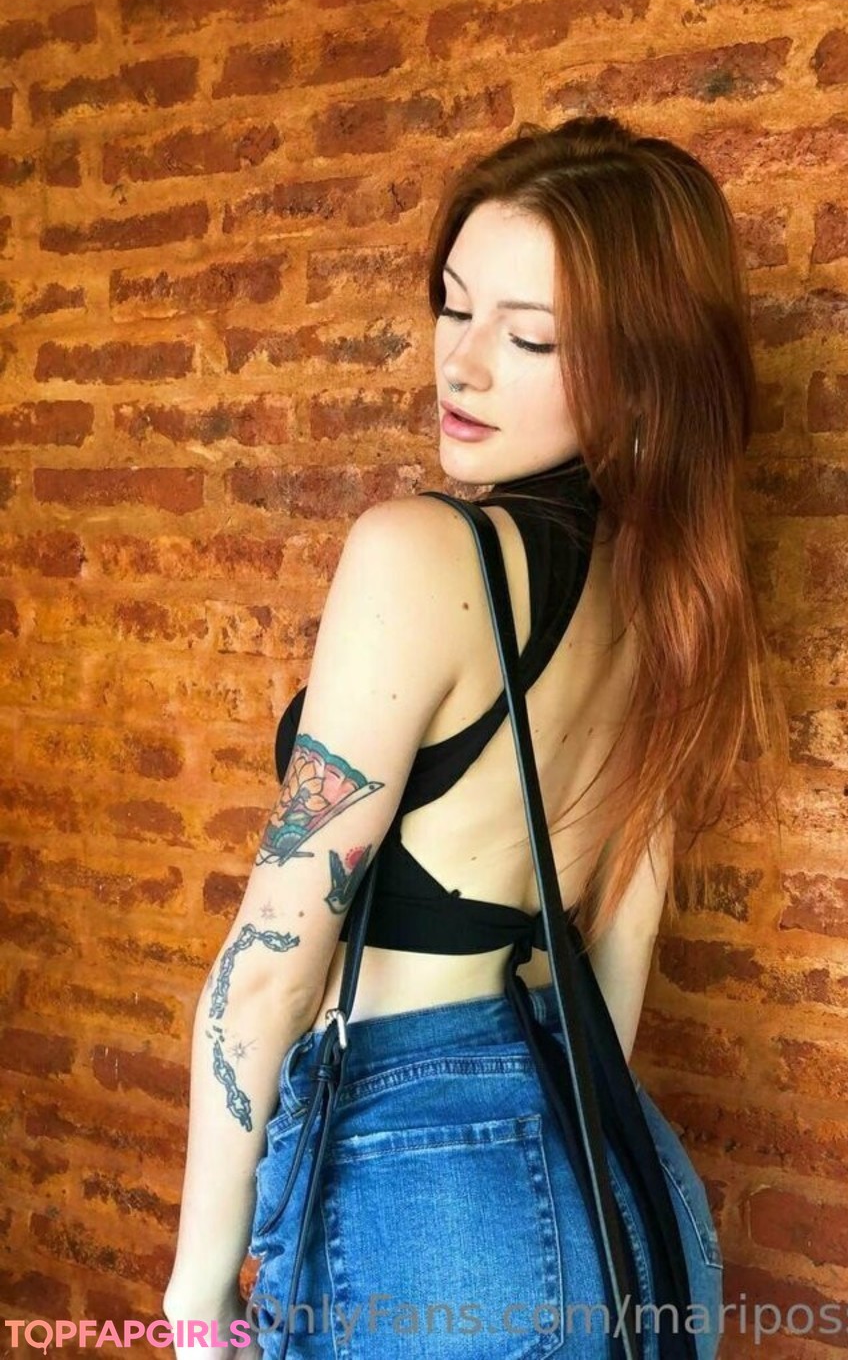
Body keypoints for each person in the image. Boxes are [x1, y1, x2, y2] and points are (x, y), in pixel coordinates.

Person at [164, 114, 786, 1360]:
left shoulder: (420, 552)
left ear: (647, 367)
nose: (463, 363)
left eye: (531, 336)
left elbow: (273, 965)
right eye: (454, 307)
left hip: (431, 1188)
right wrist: (576, 1177)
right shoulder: (672, 585)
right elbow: (626, 926)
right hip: (625, 1183)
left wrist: (194, 1293)